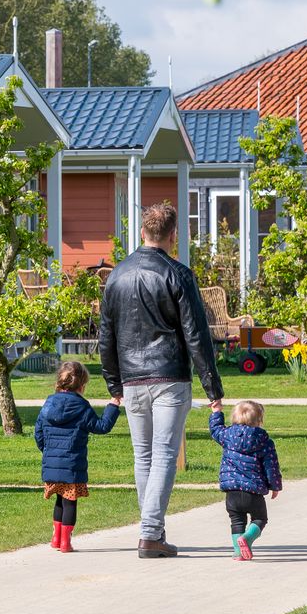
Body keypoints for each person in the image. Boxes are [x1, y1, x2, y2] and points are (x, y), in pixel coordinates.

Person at [98, 202, 223, 558]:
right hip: (169, 374)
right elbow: (196, 334)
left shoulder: (117, 275)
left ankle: (153, 528)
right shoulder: (178, 274)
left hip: (132, 377)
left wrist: (113, 384)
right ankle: (151, 532)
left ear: (141, 232)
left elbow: (105, 336)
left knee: (144, 455)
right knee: (164, 454)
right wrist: (212, 388)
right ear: (173, 236)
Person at [34, 360, 121, 553]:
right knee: (69, 501)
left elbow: (38, 433)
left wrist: (48, 452)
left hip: (51, 463)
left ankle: (56, 538)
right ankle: (66, 542)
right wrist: (113, 406)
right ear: (82, 385)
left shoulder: (48, 404)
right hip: (72, 465)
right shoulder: (82, 407)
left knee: (59, 499)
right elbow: (101, 427)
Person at [208, 399, 282, 560]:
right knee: (260, 519)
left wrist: (216, 412)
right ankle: (247, 538)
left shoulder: (227, 435)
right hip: (253, 491)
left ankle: (238, 552)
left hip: (232, 491)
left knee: (237, 521)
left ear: (234, 418)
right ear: (259, 420)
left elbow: (215, 430)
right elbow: (271, 466)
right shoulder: (264, 441)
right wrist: (275, 486)